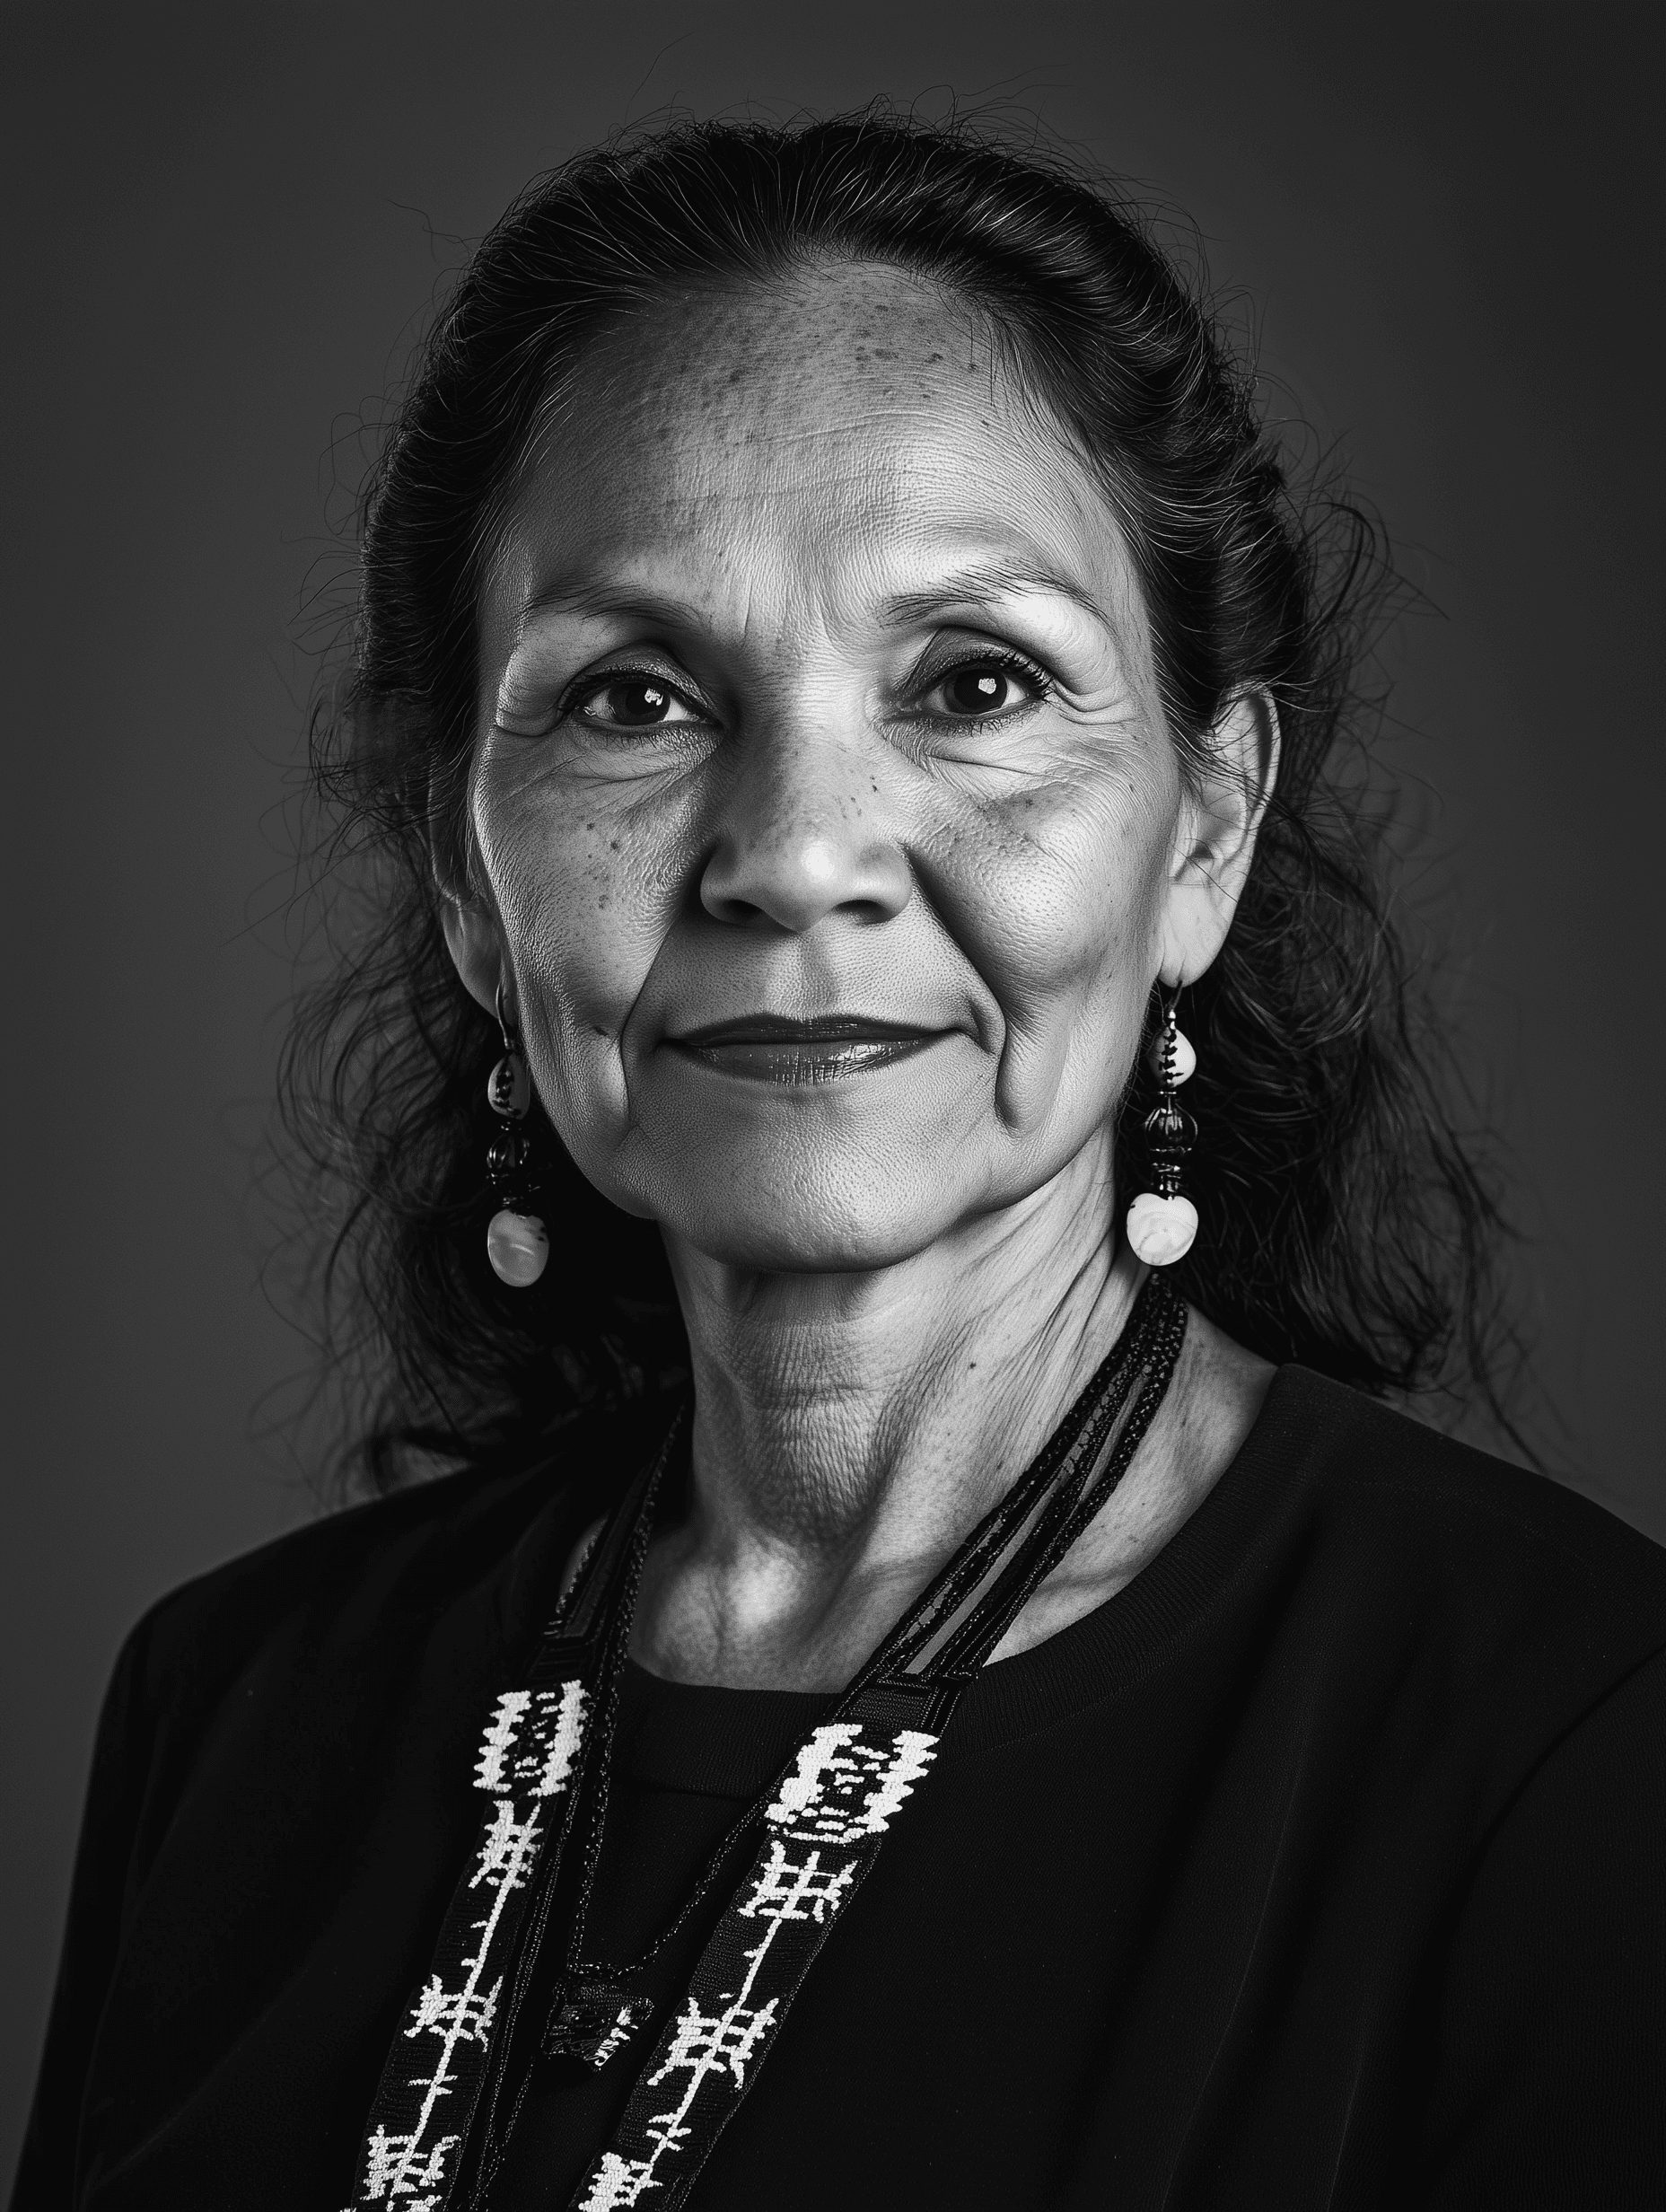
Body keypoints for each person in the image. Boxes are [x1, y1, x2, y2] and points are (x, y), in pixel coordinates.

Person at [13, 110, 1665, 2212]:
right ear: (461, 871)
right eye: (630, 694)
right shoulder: (237, 1708)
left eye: (974, 682)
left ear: (1204, 828)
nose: (793, 851)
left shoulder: (1574, 1751)